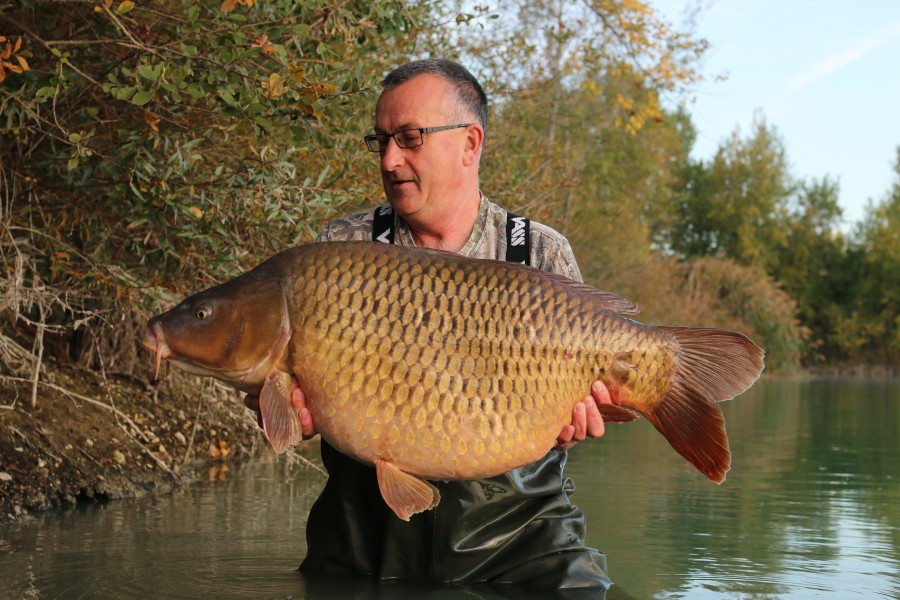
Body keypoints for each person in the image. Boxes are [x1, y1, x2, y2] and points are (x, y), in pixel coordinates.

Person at [245, 59, 614, 591]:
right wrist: (281, 411)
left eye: (410, 138)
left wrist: (578, 422)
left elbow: (574, 421)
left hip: (520, 542)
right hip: (367, 542)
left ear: (470, 143)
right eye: (381, 140)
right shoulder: (343, 247)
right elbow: (273, 395)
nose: (390, 159)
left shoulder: (538, 252)